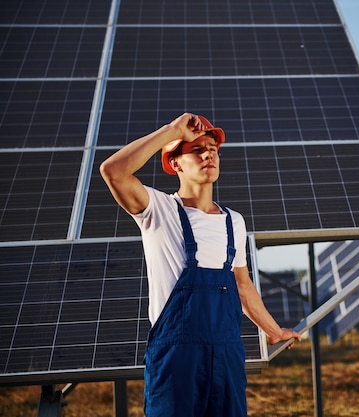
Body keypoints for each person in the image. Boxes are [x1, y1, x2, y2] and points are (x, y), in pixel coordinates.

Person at [100, 112, 301, 416]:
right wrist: (171, 131)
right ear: (176, 163)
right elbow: (112, 171)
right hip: (177, 357)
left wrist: (273, 331)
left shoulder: (235, 221)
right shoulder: (159, 211)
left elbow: (242, 285)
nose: (208, 153)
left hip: (227, 355)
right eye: (196, 149)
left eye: (213, 149)